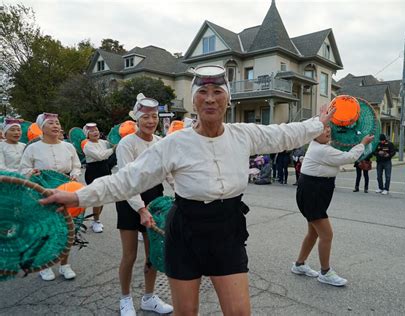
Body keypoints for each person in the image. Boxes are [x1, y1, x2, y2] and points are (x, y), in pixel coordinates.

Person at [39, 64, 336, 315]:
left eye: (217, 92)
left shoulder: (244, 135)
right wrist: (77, 196)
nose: (210, 99)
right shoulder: (174, 144)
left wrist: (318, 122)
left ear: (227, 100)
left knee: (240, 312)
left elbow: (284, 135)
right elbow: (126, 180)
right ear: (194, 102)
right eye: (202, 93)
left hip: (228, 230)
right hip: (185, 231)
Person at [291, 125, 373, 286]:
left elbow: (339, 153)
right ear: (313, 134)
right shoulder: (322, 150)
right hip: (312, 195)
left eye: (328, 129)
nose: (327, 131)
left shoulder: (323, 146)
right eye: (323, 130)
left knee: (313, 233)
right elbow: (348, 157)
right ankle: (325, 272)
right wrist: (362, 143)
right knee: (326, 235)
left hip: (313, 193)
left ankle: (299, 264)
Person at [113, 94, 173, 316]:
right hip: (129, 199)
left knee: (154, 253)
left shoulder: (161, 143)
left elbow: (169, 174)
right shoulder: (126, 144)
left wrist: (186, 195)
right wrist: (140, 209)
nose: (151, 121)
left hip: (155, 199)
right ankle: (125, 298)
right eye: (146, 117)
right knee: (129, 254)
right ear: (137, 119)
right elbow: (128, 182)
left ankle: (149, 297)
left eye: (154, 116)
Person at [20, 112, 81, 281]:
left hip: (66, 189)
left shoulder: (68, 146)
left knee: (68, 227)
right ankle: (45, 265)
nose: (56, 126)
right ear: (42, 128)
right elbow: (23, 169)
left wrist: (75, 174)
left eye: (57, 123)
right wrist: (31, 172)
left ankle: (64, 265)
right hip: (43, 191)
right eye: (51, 123)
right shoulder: (32, 148)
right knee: (46, 229)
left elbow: (76, 165)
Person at [82, 123, 114, 233]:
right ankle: (96, 221)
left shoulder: (104, 142)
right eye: (92, 131)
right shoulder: (87, 146)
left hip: (105, 169)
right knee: (97, 198)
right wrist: (113, 150)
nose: (95, 132)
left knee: (103, 198)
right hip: (93, 171)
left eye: (96, 130)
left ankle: (96, 220)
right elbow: (100, 156)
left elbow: (113, 143)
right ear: (87, 135)